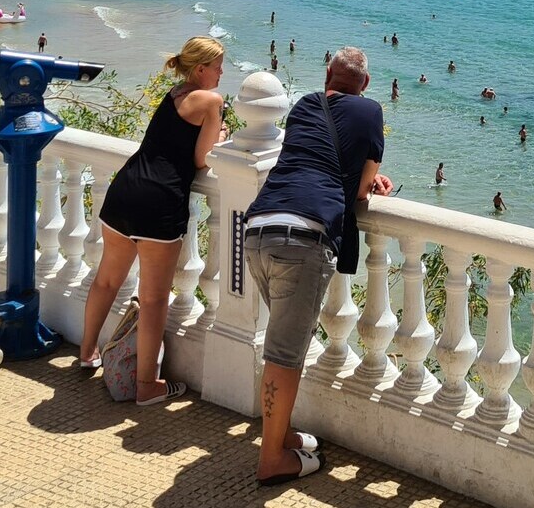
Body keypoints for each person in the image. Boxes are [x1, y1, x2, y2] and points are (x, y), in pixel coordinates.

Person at [244, 46, 392, 486]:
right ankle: (272, 459)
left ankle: (282, 433)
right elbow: (363, 188)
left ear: (327, 75)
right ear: (364, 84)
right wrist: (374, 182)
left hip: (258, 228)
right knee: (285, 356)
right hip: (303, 239)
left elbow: (313, 159)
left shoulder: (307, 104)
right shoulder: (371, 111)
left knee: (284, 342)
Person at [79, 37, 226, 403]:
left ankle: (86, 353)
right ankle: (147, 386)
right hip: (160, 200)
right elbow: (200, 160)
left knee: (107, 280)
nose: (223, 73)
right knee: (155, 297)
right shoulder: (211, 100)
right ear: (201, 69)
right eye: (219, 66)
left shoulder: (176, 91)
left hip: (126, 189)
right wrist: (221, 135)